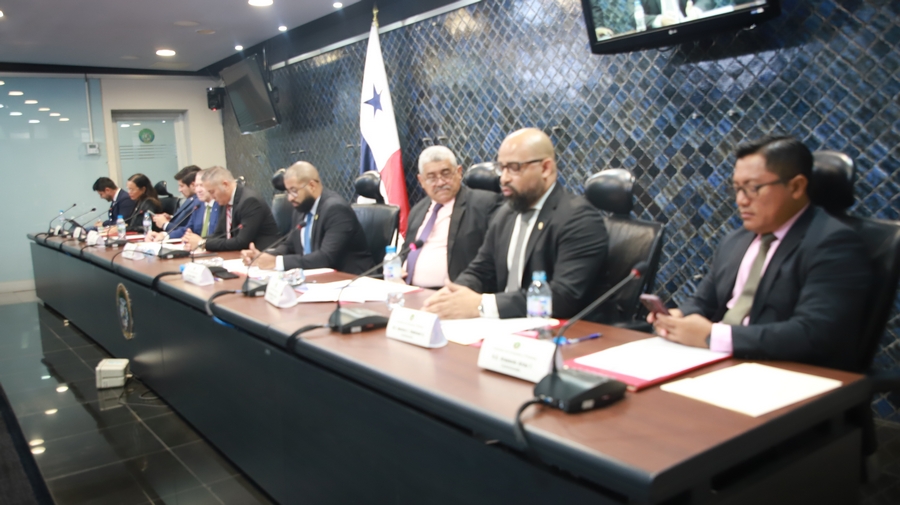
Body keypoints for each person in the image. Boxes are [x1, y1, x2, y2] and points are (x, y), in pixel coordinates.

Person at [649, 136, 873, 371]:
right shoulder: (735, 240)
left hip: (782, 372)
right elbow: (704, 302)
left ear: (796, 186)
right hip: (716, 361)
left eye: (752, 188)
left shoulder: (833, 244)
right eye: (737, 189)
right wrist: (677, 317)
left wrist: (714, 336)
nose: (741, 200)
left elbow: (814, 334)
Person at [422, 128, 610, 320]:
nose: (504, 178)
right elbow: (481, 270)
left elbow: (563, 297)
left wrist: (482, 305)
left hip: (568, 330)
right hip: (508, 324)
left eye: (514, 168)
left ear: (545, 168)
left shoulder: (579, 218)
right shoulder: (506, 213)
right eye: (501, 168)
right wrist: (450, 297)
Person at [240, 162, 373, 274]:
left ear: (312, 186)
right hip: (316, 278)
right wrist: (263, 256)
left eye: (294, 191)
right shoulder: (302, 208)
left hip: (351, 280)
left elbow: (326, 258)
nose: (290, 198)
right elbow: (289, 245)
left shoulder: (336, 209)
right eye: (288, 192)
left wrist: (276, 262)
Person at [404, 146, 502, 289]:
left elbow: (492, 259)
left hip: (453, 292)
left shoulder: (485, 204)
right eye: (431, 177)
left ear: (459, 172)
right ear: (421, 181)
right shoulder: (417, 210)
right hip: (408, 289)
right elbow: (406, 250)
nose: (440, 182)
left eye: (446, 174)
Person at [185, 166, 280, 252]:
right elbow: (219, 234)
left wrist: (202, 243)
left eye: (212, 192)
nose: (212, 197)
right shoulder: (224, 200)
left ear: (225, 185)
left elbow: (241, 242)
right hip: (237, 255)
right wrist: (195, 240)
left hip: (262, 255)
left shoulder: (250, 201)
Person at [147, 169, 219, 241]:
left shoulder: (220, 206)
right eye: (197, 186)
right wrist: (164, 235)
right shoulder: (199, 204)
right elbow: (187, 229)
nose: (198, 190)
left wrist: (201, 243)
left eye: (202, 185)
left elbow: (220, 237)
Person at [152, 165, 201, 233]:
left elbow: (189, 230)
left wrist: (165, 224)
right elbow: (184, 221)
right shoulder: (190, 199)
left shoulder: (199, 202)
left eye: (181, 186)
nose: (179, 190)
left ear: (193, 185)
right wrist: (171, 218)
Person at [642, 0, 714, 28]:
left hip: (693, 29)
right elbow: (637, 19)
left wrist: (696, 11)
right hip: (659, 40)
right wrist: (660, 21)